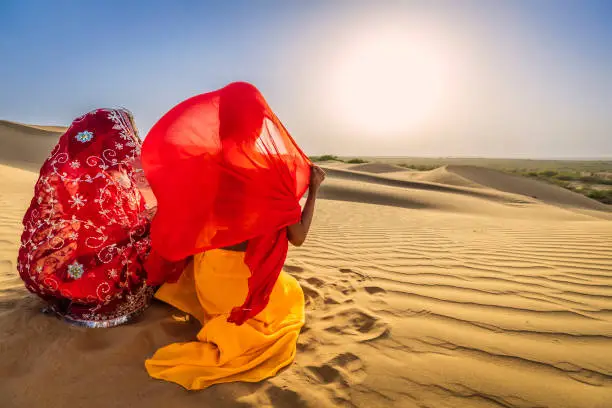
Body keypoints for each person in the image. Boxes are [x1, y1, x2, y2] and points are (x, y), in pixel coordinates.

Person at [142, 82, 325, 390]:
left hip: (207, 278)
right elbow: (298, 237)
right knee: (289, 296)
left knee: (282, 287)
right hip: (239, 287)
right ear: (260, 125)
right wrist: (315, 189)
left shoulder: (203, 164)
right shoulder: (270, 171)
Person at [17, 108, 155, 328]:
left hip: (48, 272)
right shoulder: (116, 178)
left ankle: (70, 291)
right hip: (101, 281)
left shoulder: (64, 173)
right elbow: (127, 228)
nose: (133, 138)